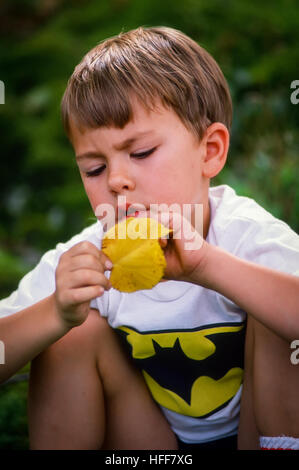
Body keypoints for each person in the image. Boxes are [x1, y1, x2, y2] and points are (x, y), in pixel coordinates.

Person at [0, 26, 299, 450]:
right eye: (94, 169)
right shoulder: (88, 261)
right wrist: (55, 314)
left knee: (275, 305)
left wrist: (208, 266)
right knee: (72, 333)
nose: (117, 180)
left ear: (210, 151)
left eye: (140, 153)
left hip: (252, 434)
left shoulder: (242, 233)